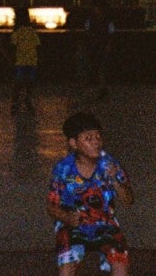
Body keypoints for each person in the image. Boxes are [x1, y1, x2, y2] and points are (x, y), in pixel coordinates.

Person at [48, 111, 131, 274]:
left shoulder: (109, 164)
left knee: (121, 267)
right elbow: (51, 206)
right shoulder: (63, 169)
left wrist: (115, 181)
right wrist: (67, 218)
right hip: (74, 224)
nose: (96, 143)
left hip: (105, 222)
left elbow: (128, 201)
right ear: (73, 143)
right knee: (66, 268)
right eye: (88, 138)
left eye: (98, 137)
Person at [79, 6, 113, 102]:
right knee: (95, 68)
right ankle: (100, 88)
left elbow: (111, 34)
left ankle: (102, 88)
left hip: (101, 48)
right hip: (93, 48)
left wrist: (108, 45)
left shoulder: (107, 22)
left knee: (101, 68)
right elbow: (86, 31)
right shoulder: (90, 21)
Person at [10, 15, 41, 112]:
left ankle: (15, 102)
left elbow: (13, 45)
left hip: (20, 61)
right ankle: (28, 100)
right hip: (32, 61)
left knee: (18, 82)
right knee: (30, 82)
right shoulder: (32, 31)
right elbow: (37, 45)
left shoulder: (17, 32)